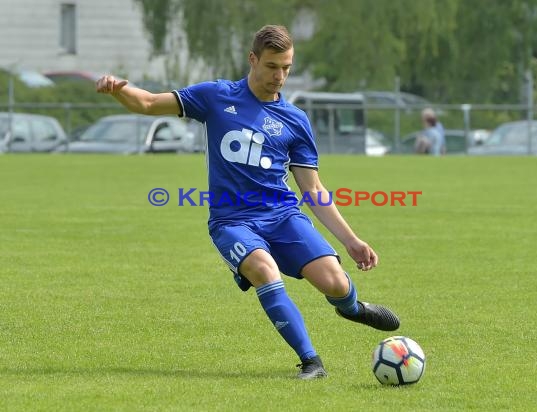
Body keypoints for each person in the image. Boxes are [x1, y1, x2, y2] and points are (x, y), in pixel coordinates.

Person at [95, 25, 399, 380]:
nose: (279, 76)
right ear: (253, 59)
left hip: (283, 215)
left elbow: (313, 189)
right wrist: (120, 89)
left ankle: (352, 308)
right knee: (263, 270)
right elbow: (146, 103)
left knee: (335, 283)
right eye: (272, 66)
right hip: (232, 222)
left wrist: (351, 240)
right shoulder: (214, 96)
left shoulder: (296, 121)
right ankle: (311, 361)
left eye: (286, 67)